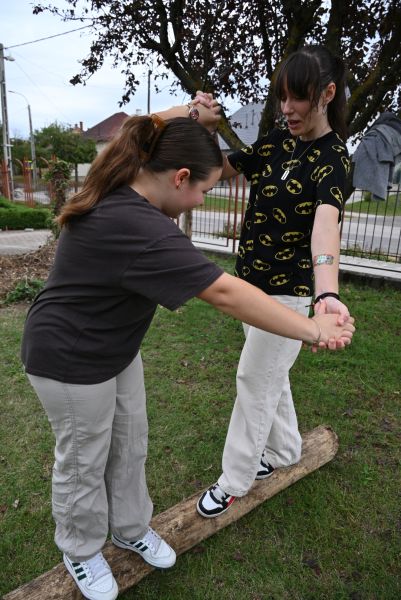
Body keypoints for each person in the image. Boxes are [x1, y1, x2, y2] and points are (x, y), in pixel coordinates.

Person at [21, 99, 354, 600]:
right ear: (180, 178)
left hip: (115, 347)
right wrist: (314, 329)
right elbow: (224, 292)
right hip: (68, 358)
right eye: (204, 190)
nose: (201, 200)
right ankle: (81, 549)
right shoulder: (138, 224)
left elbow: (140, 130)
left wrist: (192, 115)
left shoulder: (128, 179)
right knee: (84, 458)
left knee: (130, 441)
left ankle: (130, 528)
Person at [197, 45, 352, 518]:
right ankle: (284, 450)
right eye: (282, 97)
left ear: (327, 94)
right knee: (270, 377)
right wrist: (202, 128)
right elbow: (220, 169)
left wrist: (327, 292)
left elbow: (325, 226)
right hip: (251, 289)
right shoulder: (276, 141)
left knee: (253, 378)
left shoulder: (334, 158)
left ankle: (235, 479)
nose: (287, 108)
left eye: (298, 97)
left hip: (289, 296)